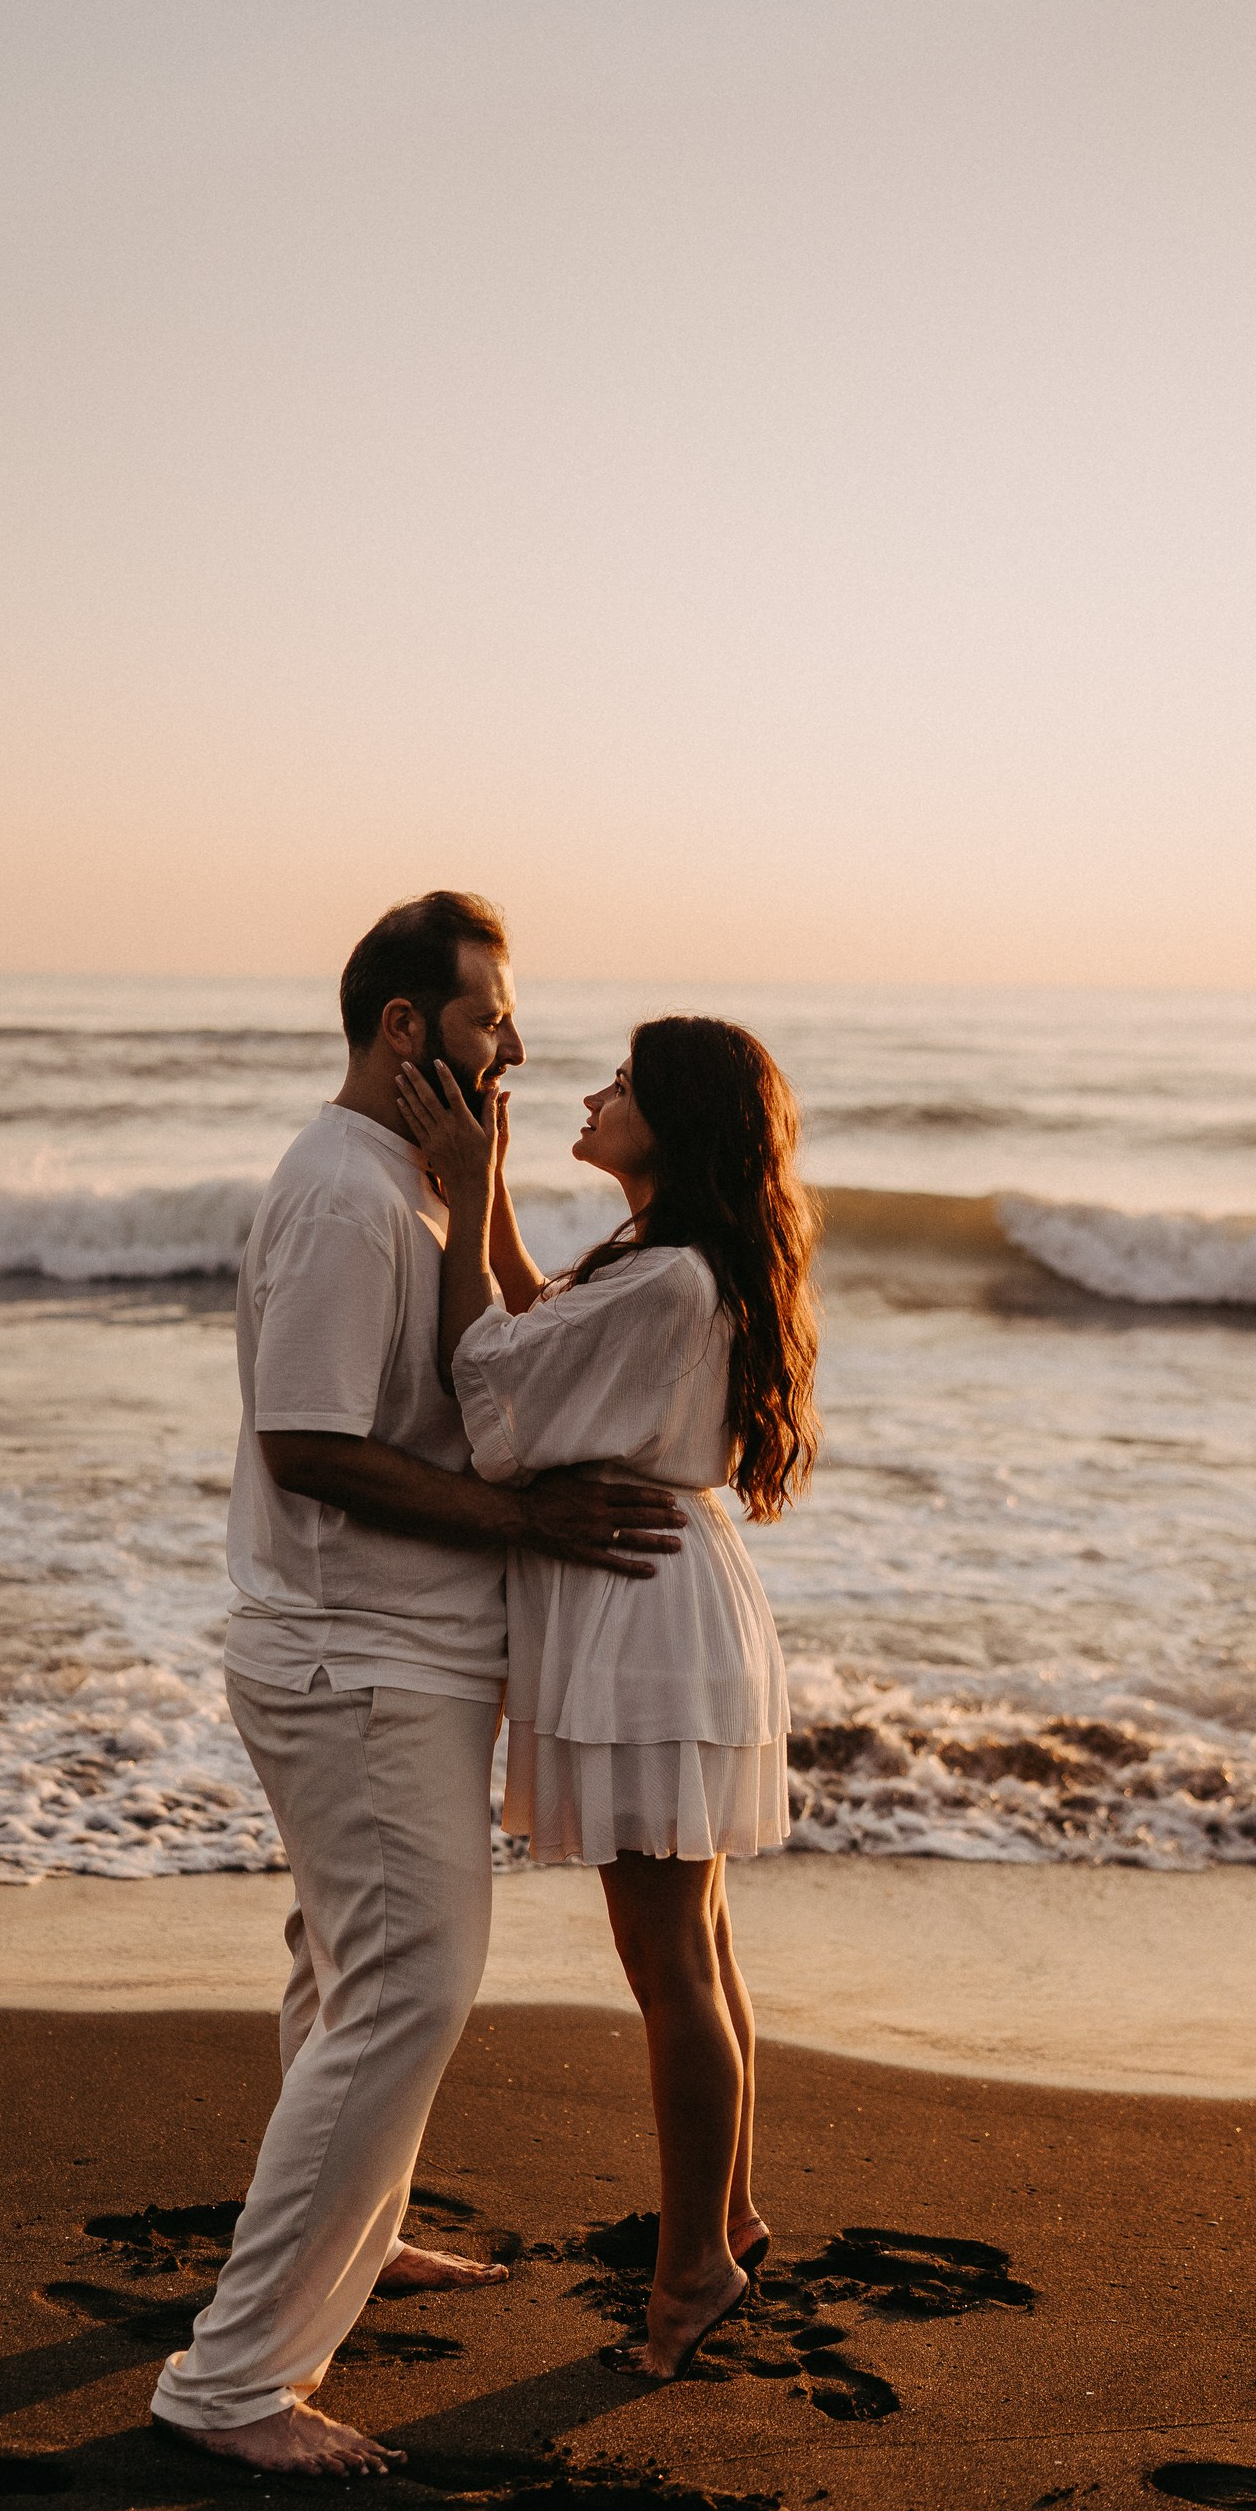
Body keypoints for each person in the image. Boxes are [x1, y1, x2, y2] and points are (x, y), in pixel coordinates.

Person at [149, 892, 686, 2477]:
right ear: (405, 1030)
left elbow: (498, 1352)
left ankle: (345, 2250)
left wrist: (491, 1187)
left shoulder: (417, 1178)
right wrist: (523, 1519)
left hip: (391, 1652)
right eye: (486, 1018)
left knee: (347, 1972)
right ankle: (233, 2388)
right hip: (354, 1653)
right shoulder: (341, 1195)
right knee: (408, 1987)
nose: (515, 1043)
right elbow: (311, 1448)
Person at [397, 1014, 818, 2378]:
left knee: (671, 1963)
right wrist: (495, 1184)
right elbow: (543, 1334)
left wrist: (459, 1206)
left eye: (625, 1085)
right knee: (697, 1943)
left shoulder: (667, 1279)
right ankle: (731, 2213)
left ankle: (694, 2264)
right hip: (674, 1603)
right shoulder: (664, 1264)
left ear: (674, 1121)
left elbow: (493, 1391)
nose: (596, 1093)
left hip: (643, 1621)